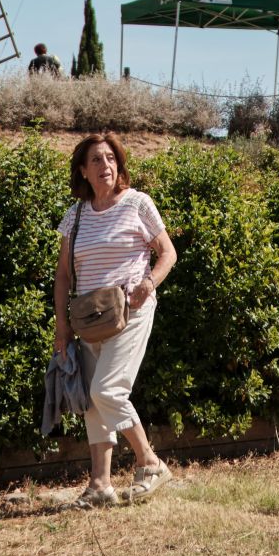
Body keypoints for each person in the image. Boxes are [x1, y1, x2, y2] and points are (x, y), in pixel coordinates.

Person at [53, 131, 177, 507]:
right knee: (93, 403)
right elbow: (63, 275)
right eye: (96, 160)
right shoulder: (74, 216)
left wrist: (148, 283)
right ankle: (100, 484)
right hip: (88, 318)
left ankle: (150, 462)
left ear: (118, 165)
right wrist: (62, 325)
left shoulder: (138, 203)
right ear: (83, 170)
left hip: (130, 311)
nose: (105, 165)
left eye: (110, 159)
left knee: (106, 391)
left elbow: (168, 253)